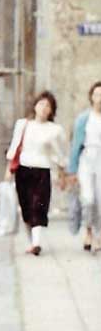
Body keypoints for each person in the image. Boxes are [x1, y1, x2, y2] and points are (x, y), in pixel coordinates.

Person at [6, 90, 69, 256]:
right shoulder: (23, 124)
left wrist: (62, 172)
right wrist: (9, 169)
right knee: (26, 207)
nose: (43, 108)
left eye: (48, 105)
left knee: (38, 205)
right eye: (41, 104)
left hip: (42, 170)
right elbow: (15, 147)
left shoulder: (55, 130)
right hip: (23, 169)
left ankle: (36, 243)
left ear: (52, 110)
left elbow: (59, 153)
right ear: (35, 106)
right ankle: (32, 242)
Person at [67, 81, 101, 252]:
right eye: (97, 94)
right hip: (86, 159)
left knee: (100, 199)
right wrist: (72, 170)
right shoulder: (83, 118)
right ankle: (88, 230)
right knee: (88, 198)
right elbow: (75, 145)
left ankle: (97, 235)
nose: (99, 98)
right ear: (91, 97)